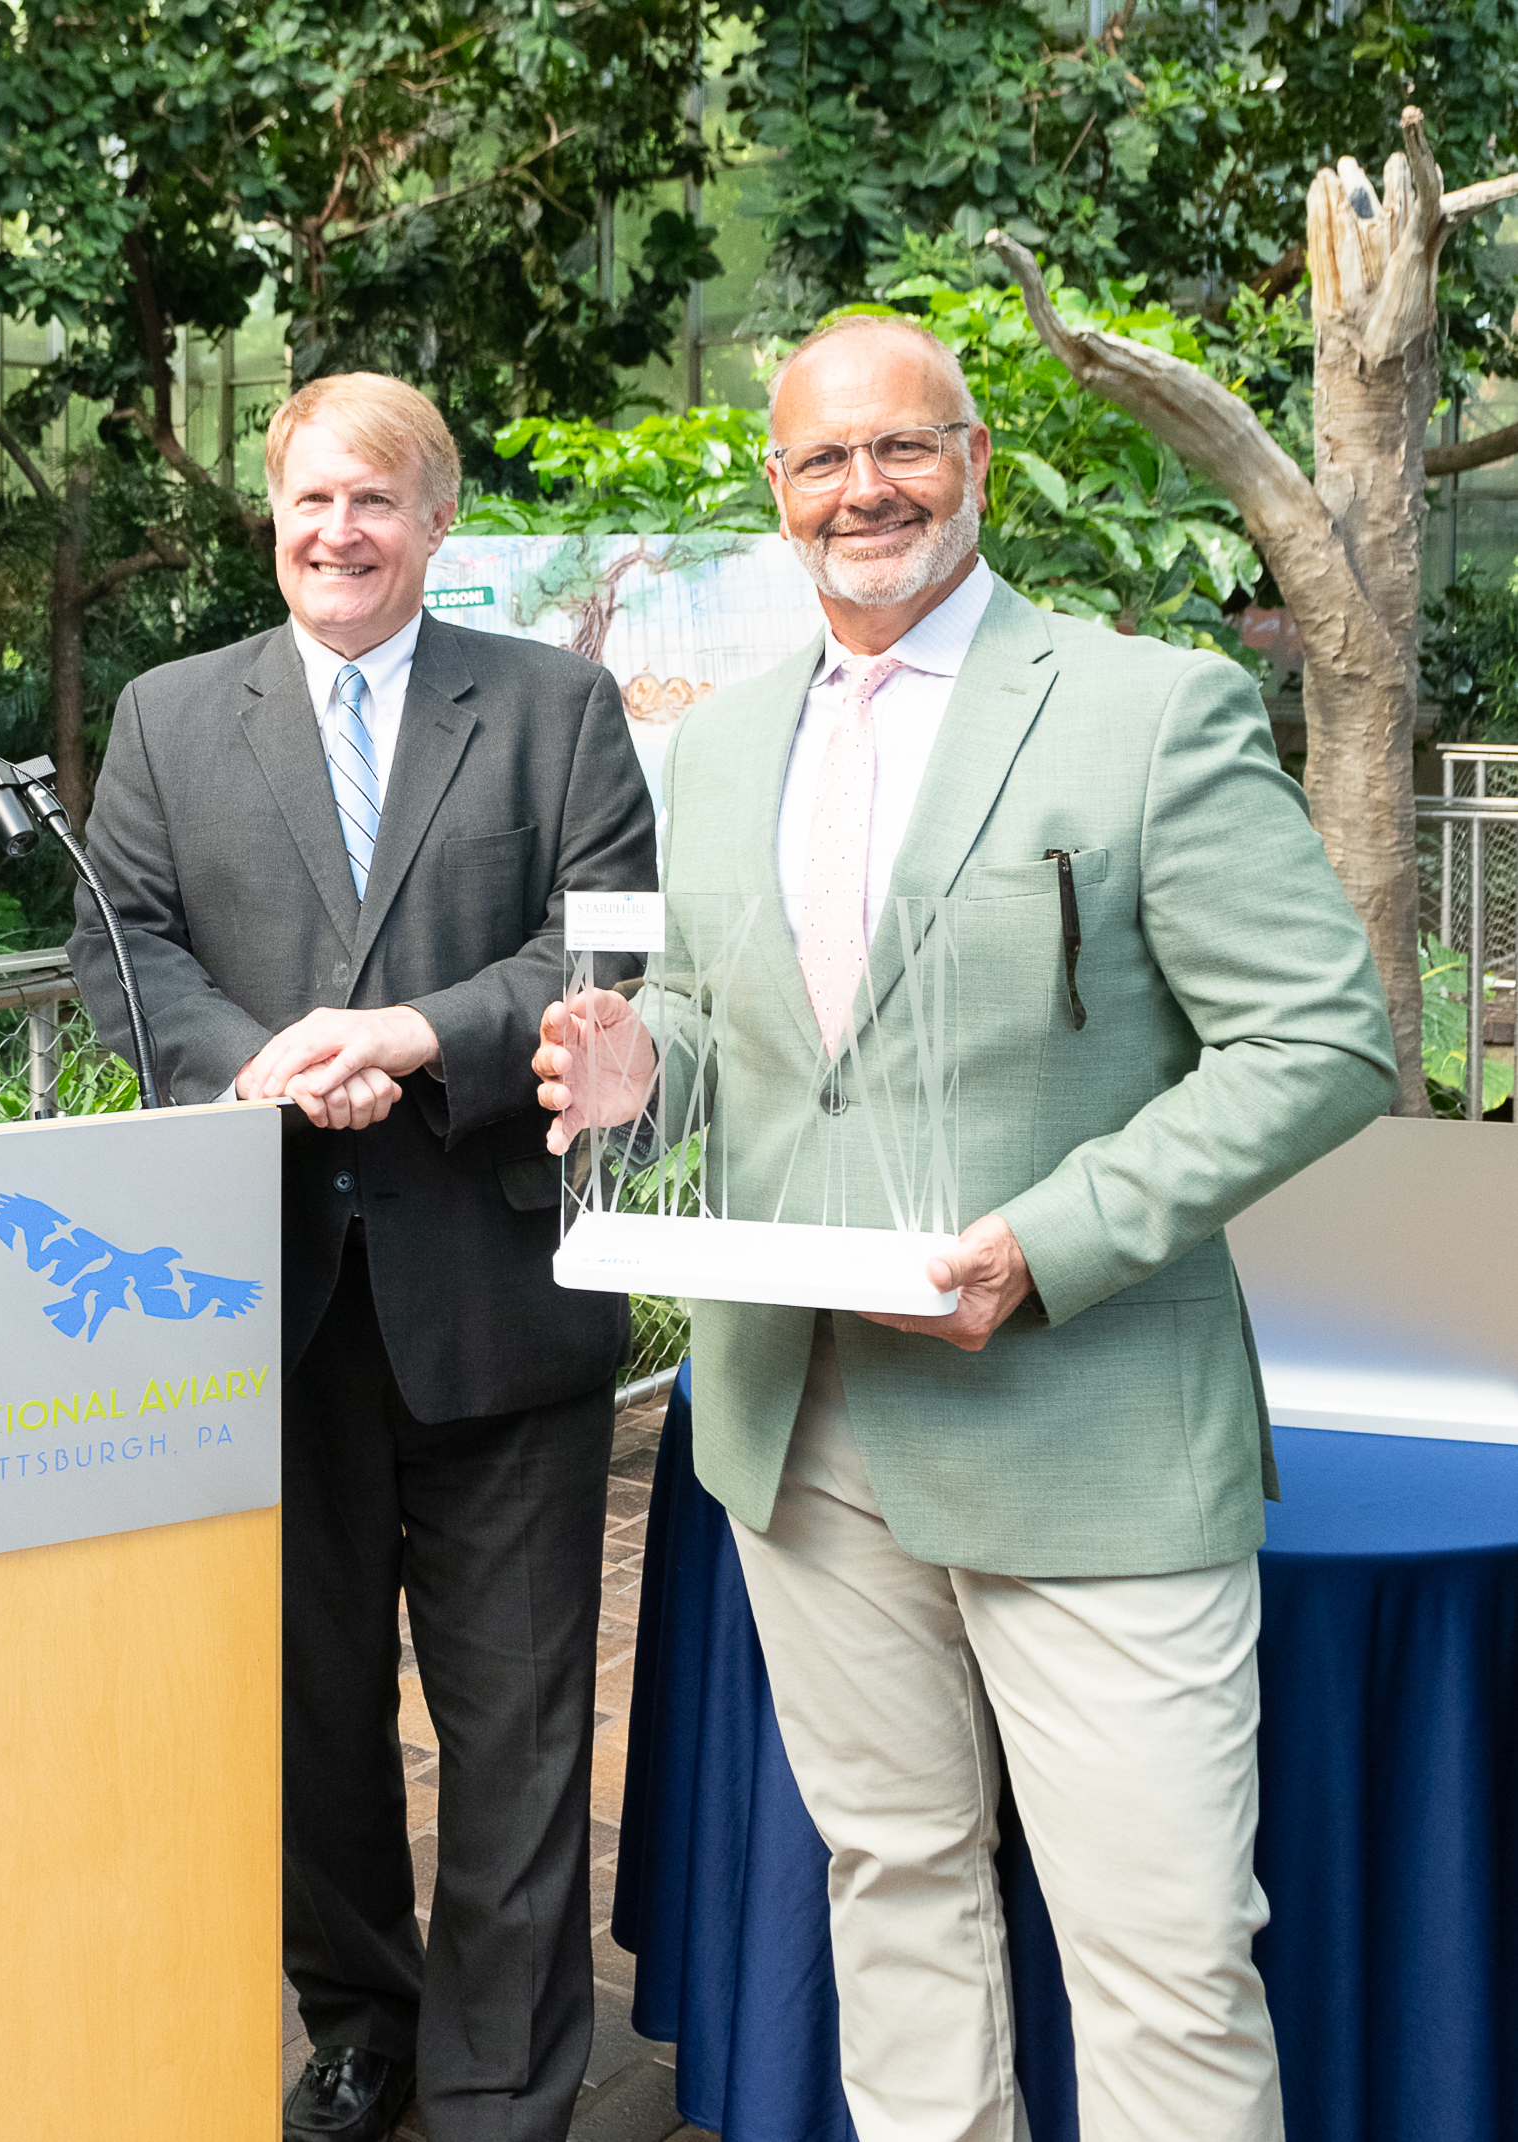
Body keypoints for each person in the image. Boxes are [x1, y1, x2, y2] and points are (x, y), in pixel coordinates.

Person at [535, 313, 1393, 2142]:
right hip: (811, 1434)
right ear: (775, 493)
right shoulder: (723, 739)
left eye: (901, 446)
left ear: (977, 459)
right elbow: (725, 1031)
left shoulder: (1145, 708)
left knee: (1163, 1955)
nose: (865, 487)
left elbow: (1323, 1041)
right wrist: (638, 1069)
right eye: (822, 459)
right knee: (896, 1886)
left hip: (1084, 1424)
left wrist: (1050, 1240)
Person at [69, 372, 658, 2142]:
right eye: (311, 500)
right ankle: (362, 2018)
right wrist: (254, 1060)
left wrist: (410, 1035)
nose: (338, 533)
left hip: (498, 1293)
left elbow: (605, 941)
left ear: (437, 521)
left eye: (376, 504)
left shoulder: (558, 707)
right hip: (260, 1304)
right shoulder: (174, 716)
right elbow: (125, 940)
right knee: (304, 1721)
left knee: (521, 1733)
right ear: (274, 510)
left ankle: (496, 2085)